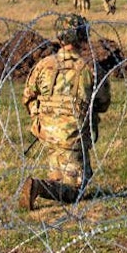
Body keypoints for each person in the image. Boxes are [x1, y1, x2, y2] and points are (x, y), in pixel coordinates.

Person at [19, 14, 111, 210]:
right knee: (77, 189)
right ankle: (38, 187)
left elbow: (27, 96)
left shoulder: (44, 65)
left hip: (48, 133)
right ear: (82, 37)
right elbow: (103, 103)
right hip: (73, 136)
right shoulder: (91, 69)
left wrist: (41, 117)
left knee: (60, 171)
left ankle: (52, 181)